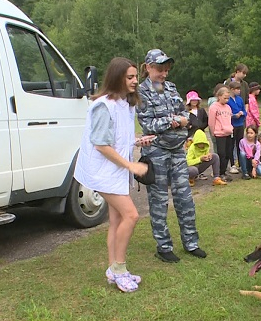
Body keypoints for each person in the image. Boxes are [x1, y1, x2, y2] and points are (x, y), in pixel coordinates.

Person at [74, 57, 147, 293]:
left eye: (136, 77)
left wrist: (137, 141)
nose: (135, 81)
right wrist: (131, 166)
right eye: (130, 77)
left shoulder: (126, 104)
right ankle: (119, 269)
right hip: (103, 173)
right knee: (131, 215)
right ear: (117, 78)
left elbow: (117, 138)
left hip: (115, 172)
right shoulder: (104, 106)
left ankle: (114, 270)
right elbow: (101, 145)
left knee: (117, 220)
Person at [137, 49, 206, 263]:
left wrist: (180, 119)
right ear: (148, 67)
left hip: (177, 150)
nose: (164, 74)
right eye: (160, 69)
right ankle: (164, 246)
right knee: (159, 201)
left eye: (166, 69)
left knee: (184, 198)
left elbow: (185, 114)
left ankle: (191, 243)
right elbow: (148, 124)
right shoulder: (141, 92)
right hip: (156, 152)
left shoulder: (171, 88)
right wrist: (174, 121)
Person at [207, 86, 234, 182]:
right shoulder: (214, 107)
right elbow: (211, 121)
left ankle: (224, 171)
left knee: (227, 153)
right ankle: (218, 173)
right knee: (221, 154)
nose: (226, 100)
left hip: (228, 132)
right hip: (219, 134)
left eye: (228, 98)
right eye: (225, 98)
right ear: (219, 96)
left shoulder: (228, 107)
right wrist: (213, 131)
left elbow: (229, 119)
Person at [227, 81, 246, 174]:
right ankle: (232, 164)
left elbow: (244, 110)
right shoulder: (228, 100)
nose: (239, 91)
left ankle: (241, 164)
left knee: (240, 144)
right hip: (232, 125)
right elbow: (227, 113)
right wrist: (234, 115)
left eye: (239, 89)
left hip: (240, 125)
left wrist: (242, 113)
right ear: (231, 89)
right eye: (237, 89)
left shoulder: (240, 99)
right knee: (231, 145)